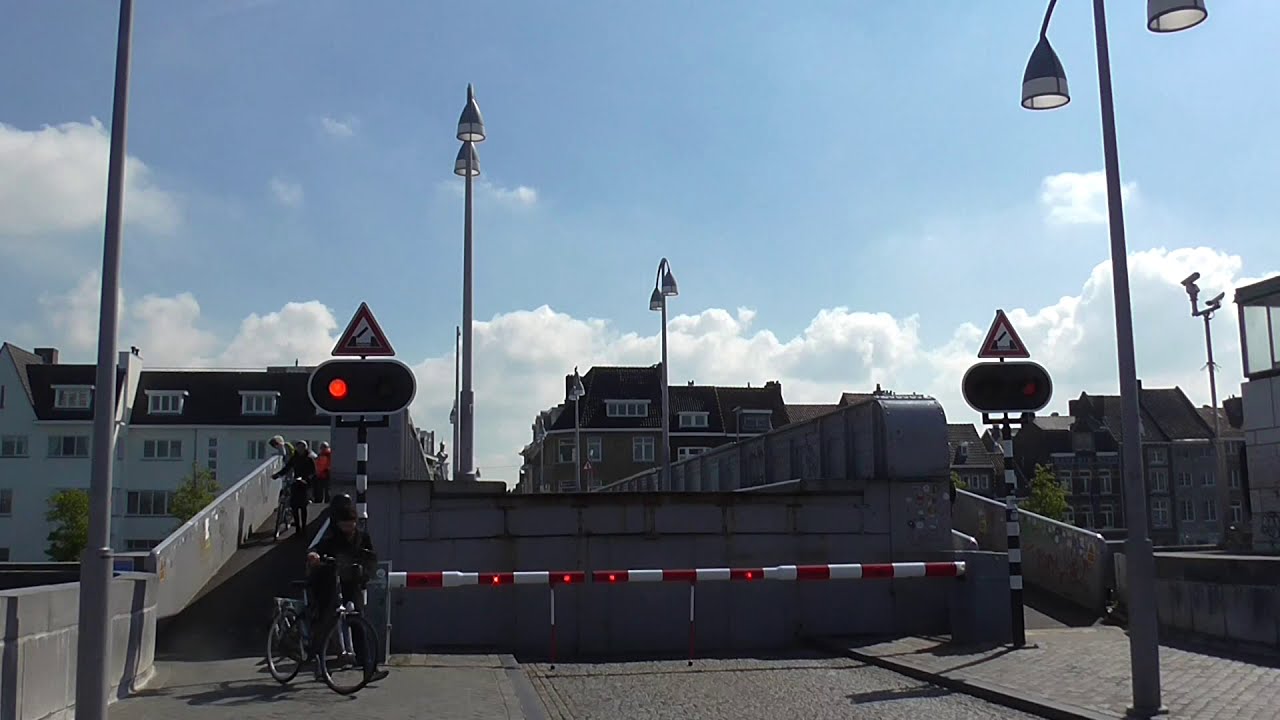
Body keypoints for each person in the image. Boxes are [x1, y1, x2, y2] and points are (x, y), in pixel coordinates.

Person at [305, 496, 389, 682]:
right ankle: (320, 665)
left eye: (351, 524)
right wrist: (315, 556)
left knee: (358, 622)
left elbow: (371, 558)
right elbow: (319, 549)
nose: (348, 529)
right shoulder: (332, 538)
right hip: (332, 584)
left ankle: (368, 668)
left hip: (352, 584)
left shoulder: (362, 537)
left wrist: (365, 573)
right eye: (345, 525)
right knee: (326, 622)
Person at [273, 440, 315, 533]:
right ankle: (297, 527)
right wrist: (277, 475)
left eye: (302, 447)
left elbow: (313, 472)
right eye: (298, 447)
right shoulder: (294, 458)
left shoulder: (309, 459)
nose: (300, 449)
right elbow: (287, 468)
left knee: (303, 506)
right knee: (294, 505)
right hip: (296, 483)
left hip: (304, 484)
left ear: (305, 448)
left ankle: (304, 527)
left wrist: (306, 479)